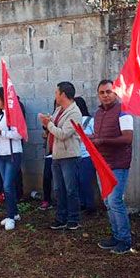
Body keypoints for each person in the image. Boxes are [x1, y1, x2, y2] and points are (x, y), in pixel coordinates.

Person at [92, 80, 134, 254]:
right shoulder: (98, 113)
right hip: (102, 164)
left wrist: (102, 141)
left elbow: (127, 138)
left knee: (115, 201)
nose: (105, 95)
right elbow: (98, 135)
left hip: (118, 164)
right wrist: (91, 138)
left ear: (115, 93)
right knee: (108, 203)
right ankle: (116, 236)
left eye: (108, 92)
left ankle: (125, 240)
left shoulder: (124, 112)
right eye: (102, 92)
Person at [39, 82, 82, 231]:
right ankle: (61, 217)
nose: (55, 95)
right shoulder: (59, 110)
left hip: (69, 156)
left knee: (70, 189)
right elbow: (53, 128)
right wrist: (47, 124)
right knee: (58, 189)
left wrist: (48, 124)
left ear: (63, 94)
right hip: (56, 154)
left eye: (56, 93)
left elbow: (63, 134)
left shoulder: (75, 112)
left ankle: (74, 218)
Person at [0, 87, 23, 231]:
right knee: (7, 186)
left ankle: (10, 216)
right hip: (1, 154)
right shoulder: (1, 116)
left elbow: (19, 134)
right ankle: (14, 213)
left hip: (13, 154)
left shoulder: (14, 115)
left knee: (8, 186)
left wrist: (1, 132)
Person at [73, 96, 96, 216]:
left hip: (87, 155)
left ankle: (90, 205)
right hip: (75, 155)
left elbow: (97, 135)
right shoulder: (72, 120)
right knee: (76, 181)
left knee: (85, 180)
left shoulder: (89, 120)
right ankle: (82, 203)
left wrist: (84, 136)